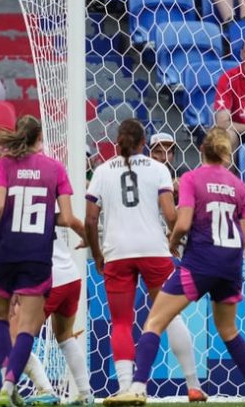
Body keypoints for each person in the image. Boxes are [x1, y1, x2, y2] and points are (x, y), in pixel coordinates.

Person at [102, 127, 245, 407]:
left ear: (201, 150)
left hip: (200, 262)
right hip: (231, 264)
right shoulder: (239, 187)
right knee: (228, 330)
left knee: (155, 320)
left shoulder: (192, 179)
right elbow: (243, 235)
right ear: (227, 155)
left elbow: (182, 222)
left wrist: (173, 240)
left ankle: (138, 387)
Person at [84, 119, 205, 402]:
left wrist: (97, 253)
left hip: (117, 252)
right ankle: (193, 384)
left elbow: (91, 219)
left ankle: (126, 389)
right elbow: (171, 214)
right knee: (170, 315)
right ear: (144, 144)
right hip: (154, 250)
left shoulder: (102, 171)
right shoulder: (158, 168)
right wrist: (173, 239)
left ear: (117, 143)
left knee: (122, 323)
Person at [0, 115, 82, 406]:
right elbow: (66, 217)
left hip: (4, 253)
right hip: (37, 257)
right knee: (28, 328)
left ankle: (7, 378)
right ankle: (10, 384)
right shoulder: (55, 169)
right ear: (41, 138)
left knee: (1, 319)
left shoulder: (4, 165)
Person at [13, 230, 92, 406]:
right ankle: (86, 394)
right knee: (65, 336)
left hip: (47, 278)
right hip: (71, 276)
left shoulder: (15, 214)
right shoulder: (48, 207)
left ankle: (46, 391)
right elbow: (68, 218)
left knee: (16, 338)